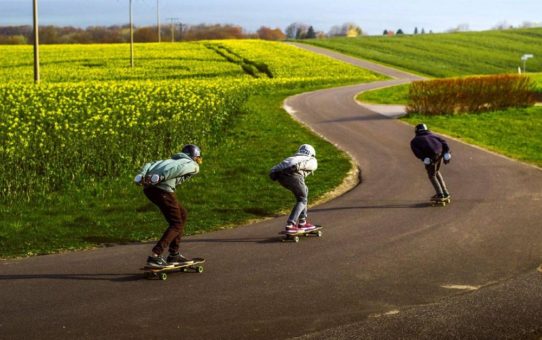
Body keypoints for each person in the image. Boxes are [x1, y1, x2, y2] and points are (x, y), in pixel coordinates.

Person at [134, 144, 202, 268]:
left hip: (149, 189)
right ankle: (156, 256)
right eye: (198, 158)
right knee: (176, 223)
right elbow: (178, 171)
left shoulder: (169, 160)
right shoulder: (192, 164)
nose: (199, 161)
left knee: (182, 214)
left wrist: (141, 175)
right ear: (194, 156)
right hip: (163, 189)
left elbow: (149, 164)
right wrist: (162, 177)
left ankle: (174, 254)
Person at [269, 144, 318, 234]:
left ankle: (302, 222)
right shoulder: (312, 159)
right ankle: (290, 224)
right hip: (293, 175)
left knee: (305, 190)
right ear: (312, 153)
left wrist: (273, 172)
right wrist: (295, 168)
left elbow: (275, 168)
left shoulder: (292, 158)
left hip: (281, 178)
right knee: (302, 199)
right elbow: (304, 165)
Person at [410, 124, 452, 201]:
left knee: (431, 175)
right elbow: (444, 142)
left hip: (430, 157)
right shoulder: (434, 135)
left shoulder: (414, 141)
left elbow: (417, 153)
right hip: (440, 154)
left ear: (416, 131)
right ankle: (445, 192)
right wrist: (447, 152)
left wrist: (424, 158)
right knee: (436, 172)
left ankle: (440, 194)